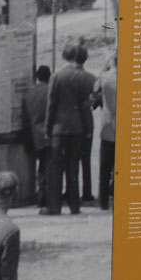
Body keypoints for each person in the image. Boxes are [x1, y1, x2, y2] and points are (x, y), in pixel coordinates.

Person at [45, 44, 91, 216]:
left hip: (58, 128)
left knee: (56, 167)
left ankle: (55, 206)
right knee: (73, 167)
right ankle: (74, 205)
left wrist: (47, 127)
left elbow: (51, 104)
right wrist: (86, 127)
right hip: (77, 127)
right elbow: (85, 105)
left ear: (63, 56)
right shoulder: (80, 76)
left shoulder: (56, 76)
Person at [21, 66, 52, 208]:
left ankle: (42, 195)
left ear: (37, 77)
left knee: (41, 167)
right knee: (49, 166)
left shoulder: (28, 94)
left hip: (34, 135)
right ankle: (46, 196)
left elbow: (25, 119)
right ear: (49, 76)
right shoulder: (51, 91)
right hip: (49, 133)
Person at [74, 46, 98, 204]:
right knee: (86, 160)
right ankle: (87, 192)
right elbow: (95, 101)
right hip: (87, 121)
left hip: (72, 123)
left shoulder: (67, 76)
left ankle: (72, 191)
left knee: (72, 159)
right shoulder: (91, 78)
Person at [93, 55, 116, 210]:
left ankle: (103, 201)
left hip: (108, 127)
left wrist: (104, 67)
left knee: (104, 167)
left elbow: (94, 93)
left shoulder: (104, 77)